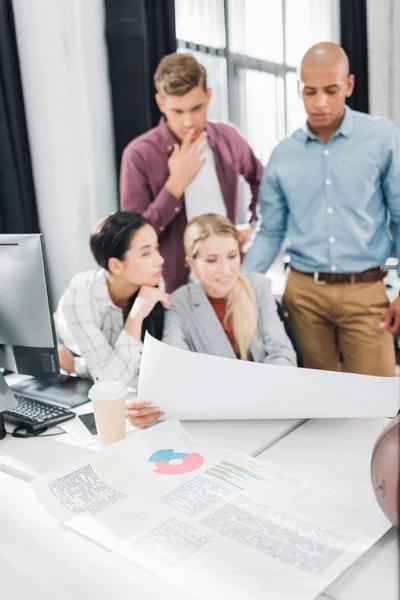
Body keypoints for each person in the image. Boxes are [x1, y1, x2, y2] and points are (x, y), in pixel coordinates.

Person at [242, 42, 400, 377]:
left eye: (330, 90)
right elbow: (271, 231)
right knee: (317, 406)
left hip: (366, 292)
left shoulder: (383, 138)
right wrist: (241, 286)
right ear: (299, 89)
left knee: (380, 405)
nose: (320, 103)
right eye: (310, 92)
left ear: (349, 85)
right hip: (304, 296)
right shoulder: (283, 154)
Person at [120, 52, 263, 293]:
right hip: (173, 291)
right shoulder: (139, 155)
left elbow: (261, 180)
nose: (188, 121)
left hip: (228, 283)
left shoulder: (228, 138)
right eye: (178, 111)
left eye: (196, 108)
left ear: (209, 96)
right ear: (161, 103)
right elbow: (131, 241)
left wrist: (253, 224)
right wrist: (174, 187)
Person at [55, 211, 169, 400]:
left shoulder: (151, 281)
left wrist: (78, 366)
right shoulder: (80, 296)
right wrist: (136, 316)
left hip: (119, 387)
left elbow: (146, 366)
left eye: (157, 248)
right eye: (146, 253)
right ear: (116, 266)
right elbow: (109, 384)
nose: (160, 260)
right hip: (70, 388)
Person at [161, 213, 297, 366]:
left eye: (232, 256)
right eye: (212, 260)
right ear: (192, 264)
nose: (225, 270)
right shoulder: (179, 303)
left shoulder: (258, 287)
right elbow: (175, 366)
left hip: (267, 387)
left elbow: (282, 354)